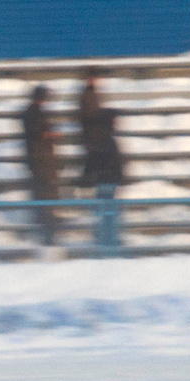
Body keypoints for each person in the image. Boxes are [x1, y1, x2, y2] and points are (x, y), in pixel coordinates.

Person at [76, 71, 127, 253]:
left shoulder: (101, 141)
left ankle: (103, 239)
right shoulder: (109, 141)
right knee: (110, 212)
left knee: (104, 212)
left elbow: (92, 162)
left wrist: (85, 177)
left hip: (102, 181)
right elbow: (115, 162)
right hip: (109, 181)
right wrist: (120, 177)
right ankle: (110, 240)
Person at [20, 83, 62, 248]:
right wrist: (51, 135)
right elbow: (39, 134)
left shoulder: (30, 112)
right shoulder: (34, 113)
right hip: (41, 161)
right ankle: (48, 232)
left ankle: (47, 227)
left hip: (39, 160)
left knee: (43, 194)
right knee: (45, 195)